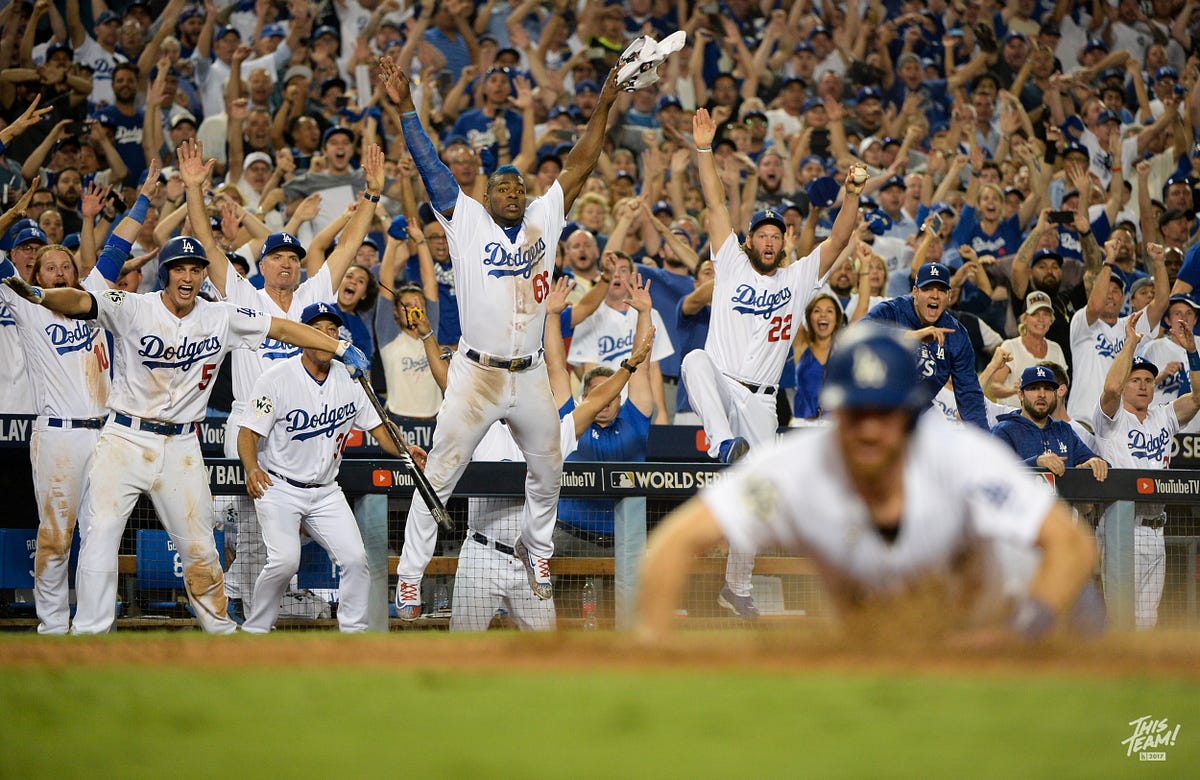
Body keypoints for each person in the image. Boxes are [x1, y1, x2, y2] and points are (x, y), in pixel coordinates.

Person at [636, 324, 1104, 643]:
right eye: (856, 411)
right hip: (917, 618)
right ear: (833, 412)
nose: (869, 428)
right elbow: (675, 543)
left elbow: (1073, 547)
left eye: (885, 413)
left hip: (1026, 602)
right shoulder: (793, 467)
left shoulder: (962, 457)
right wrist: (651, 650)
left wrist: (1025, 631)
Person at [2, 231, 370, 635]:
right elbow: (81, 301)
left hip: (181, 444)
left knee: (199, 545)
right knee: (101, 535)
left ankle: (220, 631)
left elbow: (282, 329)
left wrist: (334, 348)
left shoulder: (220, 316)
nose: (188, 276)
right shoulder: (133, 306)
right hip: (125, 438)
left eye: (196, 269)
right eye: (180, 268)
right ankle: (91, 631)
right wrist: (40, 296)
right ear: (166, 274)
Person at [379, 56, 621, 617]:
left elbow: (583, 159)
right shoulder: (464, 220)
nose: (512, 192)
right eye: (501, 186)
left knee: (549, 463)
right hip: (477, 373)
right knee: (438, 469)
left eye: (518, 186)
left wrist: (605, 101)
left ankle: (537, 550)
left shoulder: (544, 215)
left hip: (530, 371)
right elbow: (431, 166)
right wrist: (406, 110)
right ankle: (411, 577)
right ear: (486, 194)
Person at [178, 137, 380, 621]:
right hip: (253, 428)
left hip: (303, 428)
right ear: (262, 264)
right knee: (246, 531)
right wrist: (192, 192)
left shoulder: (315, 294)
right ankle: (248, 613)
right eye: (276, 257)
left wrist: (371, 197)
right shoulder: (245, 297)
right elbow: (207, 244)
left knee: (276, 542)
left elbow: (348, 246)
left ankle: (259, 612)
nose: (287, 263)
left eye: (293, 257)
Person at [679, 107, 861, 617]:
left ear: (782, 243)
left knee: (756, 503)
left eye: (776, 234)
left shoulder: (796, 278)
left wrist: (854, 193)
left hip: (762, 399)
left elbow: (840, 239)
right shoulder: (731, 262)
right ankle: (721, 445)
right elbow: (715, 202)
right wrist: (703, 149)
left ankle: (737, 589)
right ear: (748, 240)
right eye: (761, 232)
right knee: (694, 358)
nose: (768, 239)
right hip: (720, 381)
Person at [0, 162, 163, 634]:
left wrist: (145, 197)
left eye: (64, 266)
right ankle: (51, 628)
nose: (57, 272)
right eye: (48, 267)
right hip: (57, 437)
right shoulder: (24, 302)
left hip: (106, 435)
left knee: (101, 536)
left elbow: (118, 245)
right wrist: (12, 213)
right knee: (55, 538)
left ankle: (95, 627)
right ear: (35, 272)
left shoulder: (92, 297)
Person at [452, 276, 654, 631]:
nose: (603, 400)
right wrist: (551, 317)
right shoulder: (553, 423)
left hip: (617, 539)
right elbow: (557, 367)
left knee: (606, 626)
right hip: (561, 535)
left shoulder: (622, 421)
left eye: (610, 395)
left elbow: (623, 380)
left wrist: (640, 330)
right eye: (596, 392)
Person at [236, 303, 426, 634]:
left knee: (355, 560)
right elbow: (248, 433)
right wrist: (252, 469)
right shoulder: (276, 378)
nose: (327, 336)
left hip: (326, 491)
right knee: (284, 562)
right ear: (302, 336)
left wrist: (404, 449)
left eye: (333, 331)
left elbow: (381, 430)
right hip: (280, 486)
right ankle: (256, 631)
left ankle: (353, 635)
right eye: (318, 330)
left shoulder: (350, 380)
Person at [1094, 310, 1200, 629]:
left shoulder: (1162, 416)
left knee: (1147, 620)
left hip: (1157, 528)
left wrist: (1192, 352)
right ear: (1126, 384)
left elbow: (1198, 398)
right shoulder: (1110, 420)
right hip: (1122, 523)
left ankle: (1136, 678)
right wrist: (1131, 342)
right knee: (1121, 619)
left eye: (1148, 380)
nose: (1142, 386)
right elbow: (1110, 391)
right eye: (1135, 380)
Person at [865, 262, 989, 430]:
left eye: (941, 290)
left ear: (949, 296)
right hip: (875, 403)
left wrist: (982, 442)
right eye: (928, 289)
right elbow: (860, 330)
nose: (935, 295)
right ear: (915, 292)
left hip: (918, 410)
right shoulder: (893, 311)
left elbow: (969, 395)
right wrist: (911, 336)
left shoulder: (956, 335)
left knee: (942, 442)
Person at [991, 366, 1109, 481]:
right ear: (1021, 394)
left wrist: (1093, 464)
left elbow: (1095, 462)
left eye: (1048, 389)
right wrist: (1036, 463)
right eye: (1034, 388)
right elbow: (994, 472)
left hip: (1063, 500)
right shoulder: (1004, 430)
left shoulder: (1063, 430)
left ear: (1055, 394)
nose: (1042, 394)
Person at [988, 290, 1069, 407]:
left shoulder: (1056, 349)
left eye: (1046, 314)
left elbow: (1062, 390)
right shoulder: (1010, 346)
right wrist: (1013, 389)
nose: (1041, 319)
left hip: (1046, 420)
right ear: (1024, 319)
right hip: (1013, 418)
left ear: (1051, 320)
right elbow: (993, 388)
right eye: (1035, 314)